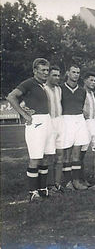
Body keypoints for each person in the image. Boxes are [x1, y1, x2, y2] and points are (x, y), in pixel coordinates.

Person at [6, 58, 52, 201]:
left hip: (47, 120)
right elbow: (11, 97)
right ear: (35, 71)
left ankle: (42, 189)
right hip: (36, 122)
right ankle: (33, 192)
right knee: (35, 158)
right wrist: (24, 114)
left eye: (47, 70)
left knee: (45, 157)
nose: (46, 72)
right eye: (42, 70)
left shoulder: (44, 85)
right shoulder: (28, 83)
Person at [60, 64, 91, 190]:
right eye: (73, 72)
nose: (76, 74)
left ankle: (77, 180)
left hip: (79, 119)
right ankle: (68, 182)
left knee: (77, 153)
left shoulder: (82, 91)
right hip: (66, 119)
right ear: (68, 73)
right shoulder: (60, 88)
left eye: (78, 72)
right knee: (67, 153)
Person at [43, 65, 65, 194]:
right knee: (49, 156)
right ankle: (49, 185)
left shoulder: (59, 89)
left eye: (58, 75)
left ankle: (57, 184)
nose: (57, 78)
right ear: (48, 75)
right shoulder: (43, 89)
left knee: (60, 155)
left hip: (59, 122)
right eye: (54, 75)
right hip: (48, 122)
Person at [80, 71, 95, 185]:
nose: (93, 82)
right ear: (85, 80)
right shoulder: (81, 92)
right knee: (81, 152)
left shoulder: (92, 93)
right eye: (91, 80)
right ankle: (80, 178)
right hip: (84, 123)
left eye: (94, 80)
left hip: (94, 122)